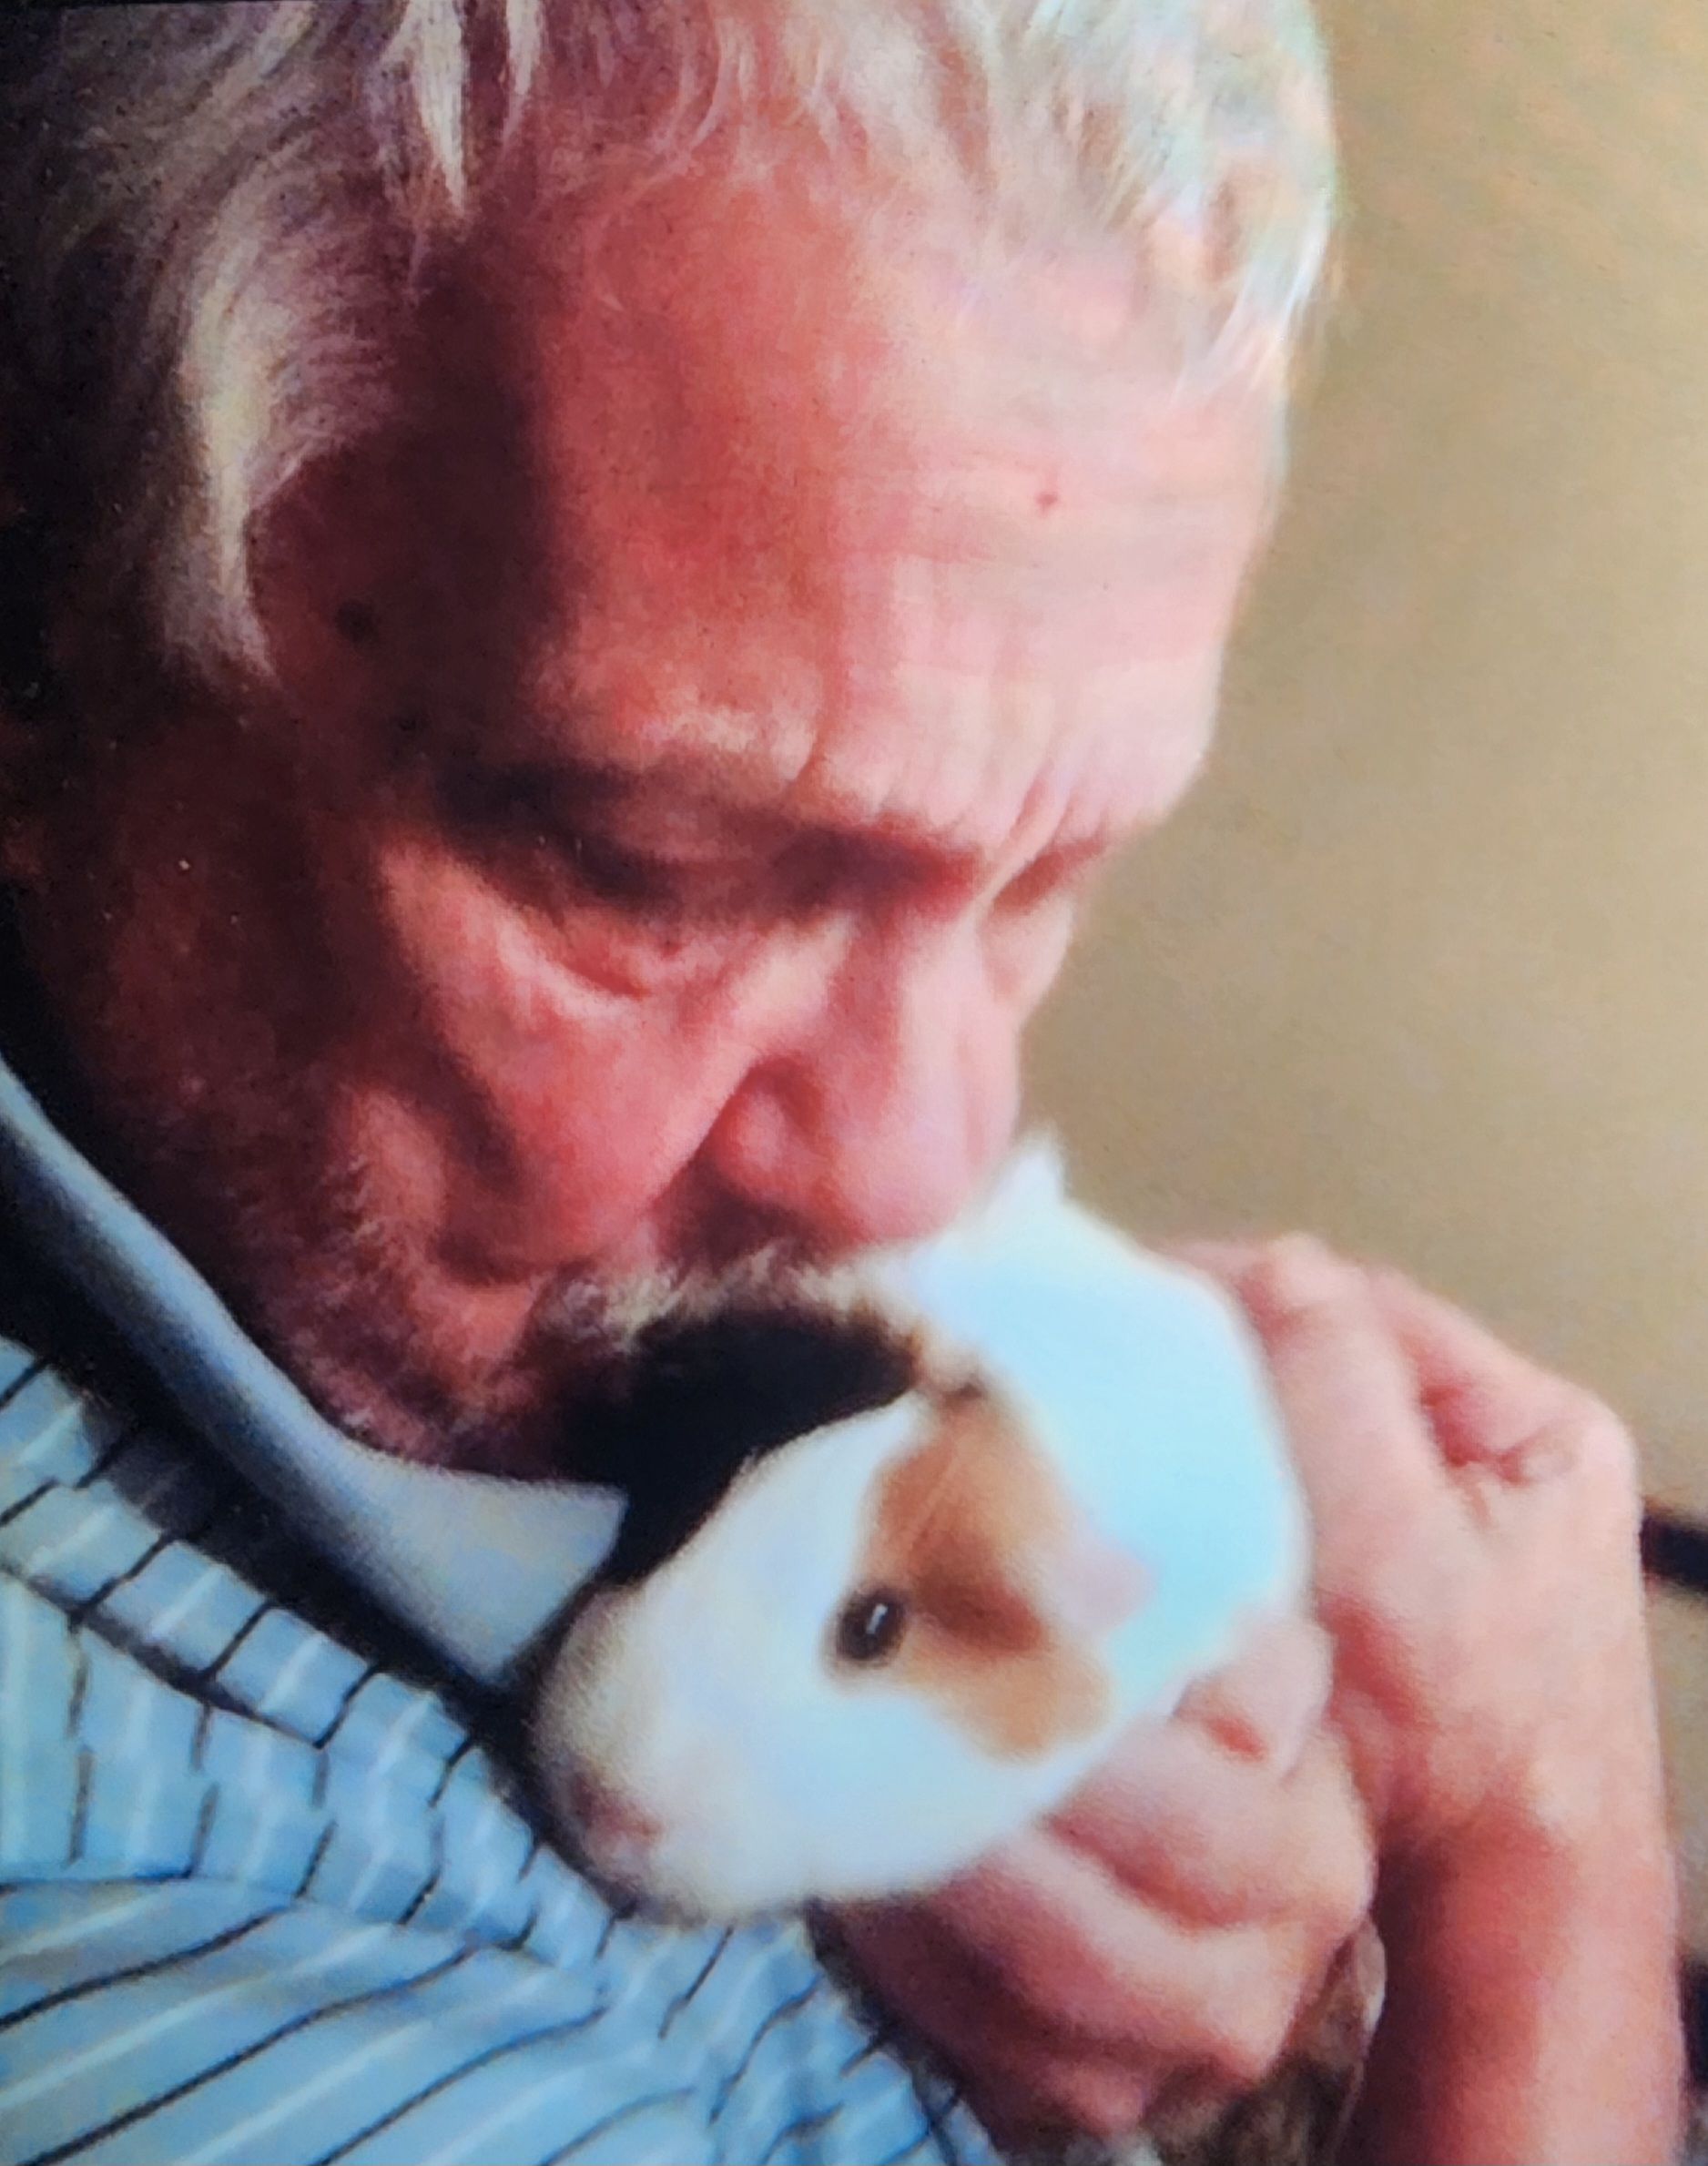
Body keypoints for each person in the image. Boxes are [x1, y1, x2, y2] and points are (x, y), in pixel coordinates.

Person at [0, 3, 1682, 2161]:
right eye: (647, 870)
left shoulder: (570, 1349)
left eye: (1038, 883)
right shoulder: (144, 1951)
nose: (924, 1165)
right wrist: (1523, 1870)